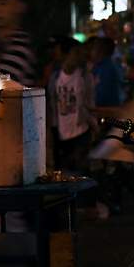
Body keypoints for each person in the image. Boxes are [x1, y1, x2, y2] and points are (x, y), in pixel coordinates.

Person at [47, 37, 99, 174]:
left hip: (81, 132)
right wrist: (49, 130)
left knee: (80, 172)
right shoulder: (55, 78)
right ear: (65, 56)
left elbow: (90, 103)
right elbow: (51, 105)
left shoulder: (84, 77)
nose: (80, 57)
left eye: (81, 53)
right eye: (76, 53)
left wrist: (93, 125)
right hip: (61, 134)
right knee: (63, 173)